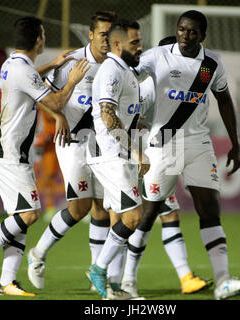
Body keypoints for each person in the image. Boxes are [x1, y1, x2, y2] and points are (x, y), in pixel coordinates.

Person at [124, 10, 240, 300]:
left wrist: (236, 142)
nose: (185, 36)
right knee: (147, 215)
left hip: (198, 142)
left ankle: (222, 281)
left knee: (209, 208)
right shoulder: (158, 56)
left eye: (192, 32)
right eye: (182, 30)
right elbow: (128, 74)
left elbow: (224, 99)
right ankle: (127, 282)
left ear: (202, 36)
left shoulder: (212, 63)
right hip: (162, 145)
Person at [0, 16, 90, 296]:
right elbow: (56, 100)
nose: (44, 37)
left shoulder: (13, 64)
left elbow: (30, 79)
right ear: (38, 39)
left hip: (10, 152)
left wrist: (53, 66)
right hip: (9, 154)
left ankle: (7, 282)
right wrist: (71, 80)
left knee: (19, 216)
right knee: (30, 214)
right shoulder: (23, 70)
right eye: (43, 33)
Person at [25, 11, 120, 295]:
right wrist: (58, 116)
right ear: (91, 35)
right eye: (103, 35)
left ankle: (95, 276)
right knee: (79, 209)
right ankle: (38, 254)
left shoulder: (116, 64)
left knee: (101, 208)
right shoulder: (72, 63)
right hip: (72, 142)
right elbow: (41, 96)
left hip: (102, 145)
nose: (108, 41)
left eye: (111, 36)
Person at [121, 37, 212, 297]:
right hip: (146, 159)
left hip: (161, 157)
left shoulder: (183, 83)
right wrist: (137, 134)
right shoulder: (151, 85)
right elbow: (126, 113)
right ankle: (121, 278)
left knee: (166, 214)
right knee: (140, 217)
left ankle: (185, 278)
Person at [85, 19, 150, 300]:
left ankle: (112, 285)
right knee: (134, 216)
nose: (140, 47)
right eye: (135, 42)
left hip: (118, 154)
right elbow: (108, 116)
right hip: (108, 154)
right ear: (117, 44)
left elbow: (123, 115)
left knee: (121, 219)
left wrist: (138, 127)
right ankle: (98, 269)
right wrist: (136, 151)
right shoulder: (111, 71)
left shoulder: (126, 71)